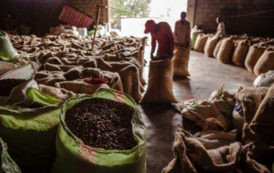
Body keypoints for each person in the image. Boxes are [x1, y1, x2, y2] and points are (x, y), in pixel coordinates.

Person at [173, 12, 191, 77]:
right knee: (176, 57)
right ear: (180, 15)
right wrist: (176, 41)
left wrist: (188, 43)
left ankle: (182, 72)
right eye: (182, 15)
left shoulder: (188, 24)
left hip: (184, 43)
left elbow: (188, 34)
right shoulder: (176, 23)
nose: (183, 16)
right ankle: (175, 71)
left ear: (185, 16)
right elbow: (175, 33)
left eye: (184, 15)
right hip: (177, 43)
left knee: (183, 59)